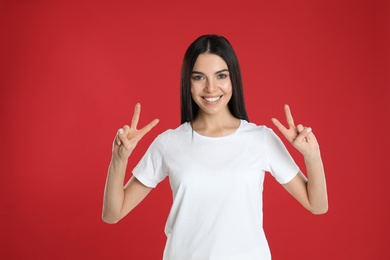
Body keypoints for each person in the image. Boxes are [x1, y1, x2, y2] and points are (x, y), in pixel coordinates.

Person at [102, 34, 328, 259]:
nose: (211, 88)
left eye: (221, 76)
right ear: (187, 83)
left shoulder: (261, 139)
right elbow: (112, 214)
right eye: (199, 77)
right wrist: (119, 159)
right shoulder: (169, 142)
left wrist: (312, 155)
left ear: (233, 80)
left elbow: (317, 205)